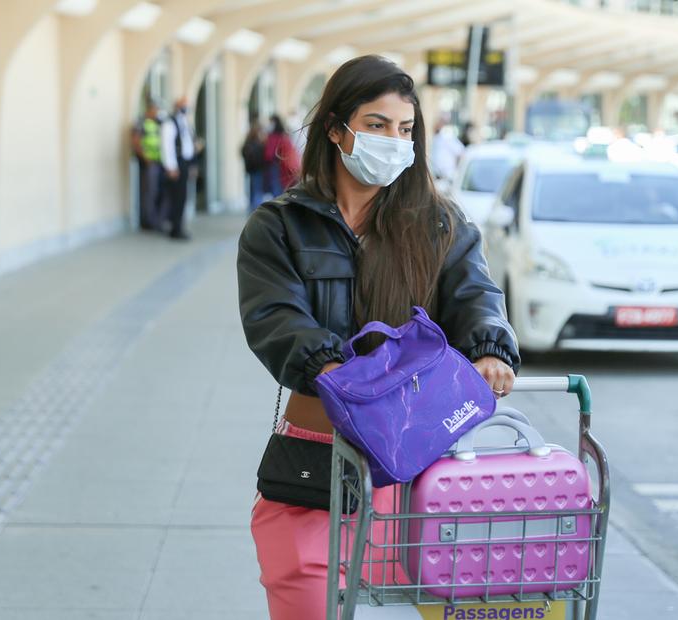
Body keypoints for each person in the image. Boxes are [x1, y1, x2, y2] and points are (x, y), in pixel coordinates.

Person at [236, 55, 520, 620]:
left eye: (406, 129)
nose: (394, 141)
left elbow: (476, 298)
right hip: (316, 466)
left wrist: (489, 347)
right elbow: (275, 319)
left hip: (415, 471)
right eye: (377, 125)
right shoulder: (279, 226)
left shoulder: (439, 225)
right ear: (337, 130)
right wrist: (335, 370)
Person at [160, 96, 196, 240]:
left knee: (182, 197)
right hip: (176, 163)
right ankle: (175, 228)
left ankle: (179, 225)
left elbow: (188, 144)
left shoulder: (184, 122)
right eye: (183, 105)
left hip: (185, 162)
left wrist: (192, 164)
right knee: (177, 197)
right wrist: (171, 167)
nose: (185, 108)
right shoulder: (169, 123)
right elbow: (167, 147)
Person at [131, 99, 164, 231]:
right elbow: (136, 141)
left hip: (158, 161)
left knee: (156, 191)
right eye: (155, 110)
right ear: (149, 110)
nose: (156, 112)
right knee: (148, 192)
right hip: (148, 163)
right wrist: (145, 158)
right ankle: (148, 221)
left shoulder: (157, 123)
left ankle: (155, 219)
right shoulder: (141, 122)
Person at [263, 114, 301, 196]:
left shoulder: (273, 136)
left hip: (276, 166)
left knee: (276, 189)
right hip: (284, 166)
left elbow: (269, 154)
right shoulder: (284, 135)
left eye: (270, 122)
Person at [241, 121, 267, 214]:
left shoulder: (248, 142)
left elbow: (243, 152)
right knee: (257, 191)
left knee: (253, 191)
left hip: (251, 169)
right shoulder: (257, 143)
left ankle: (252, 210)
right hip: (257, 169)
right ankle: (256, 211)